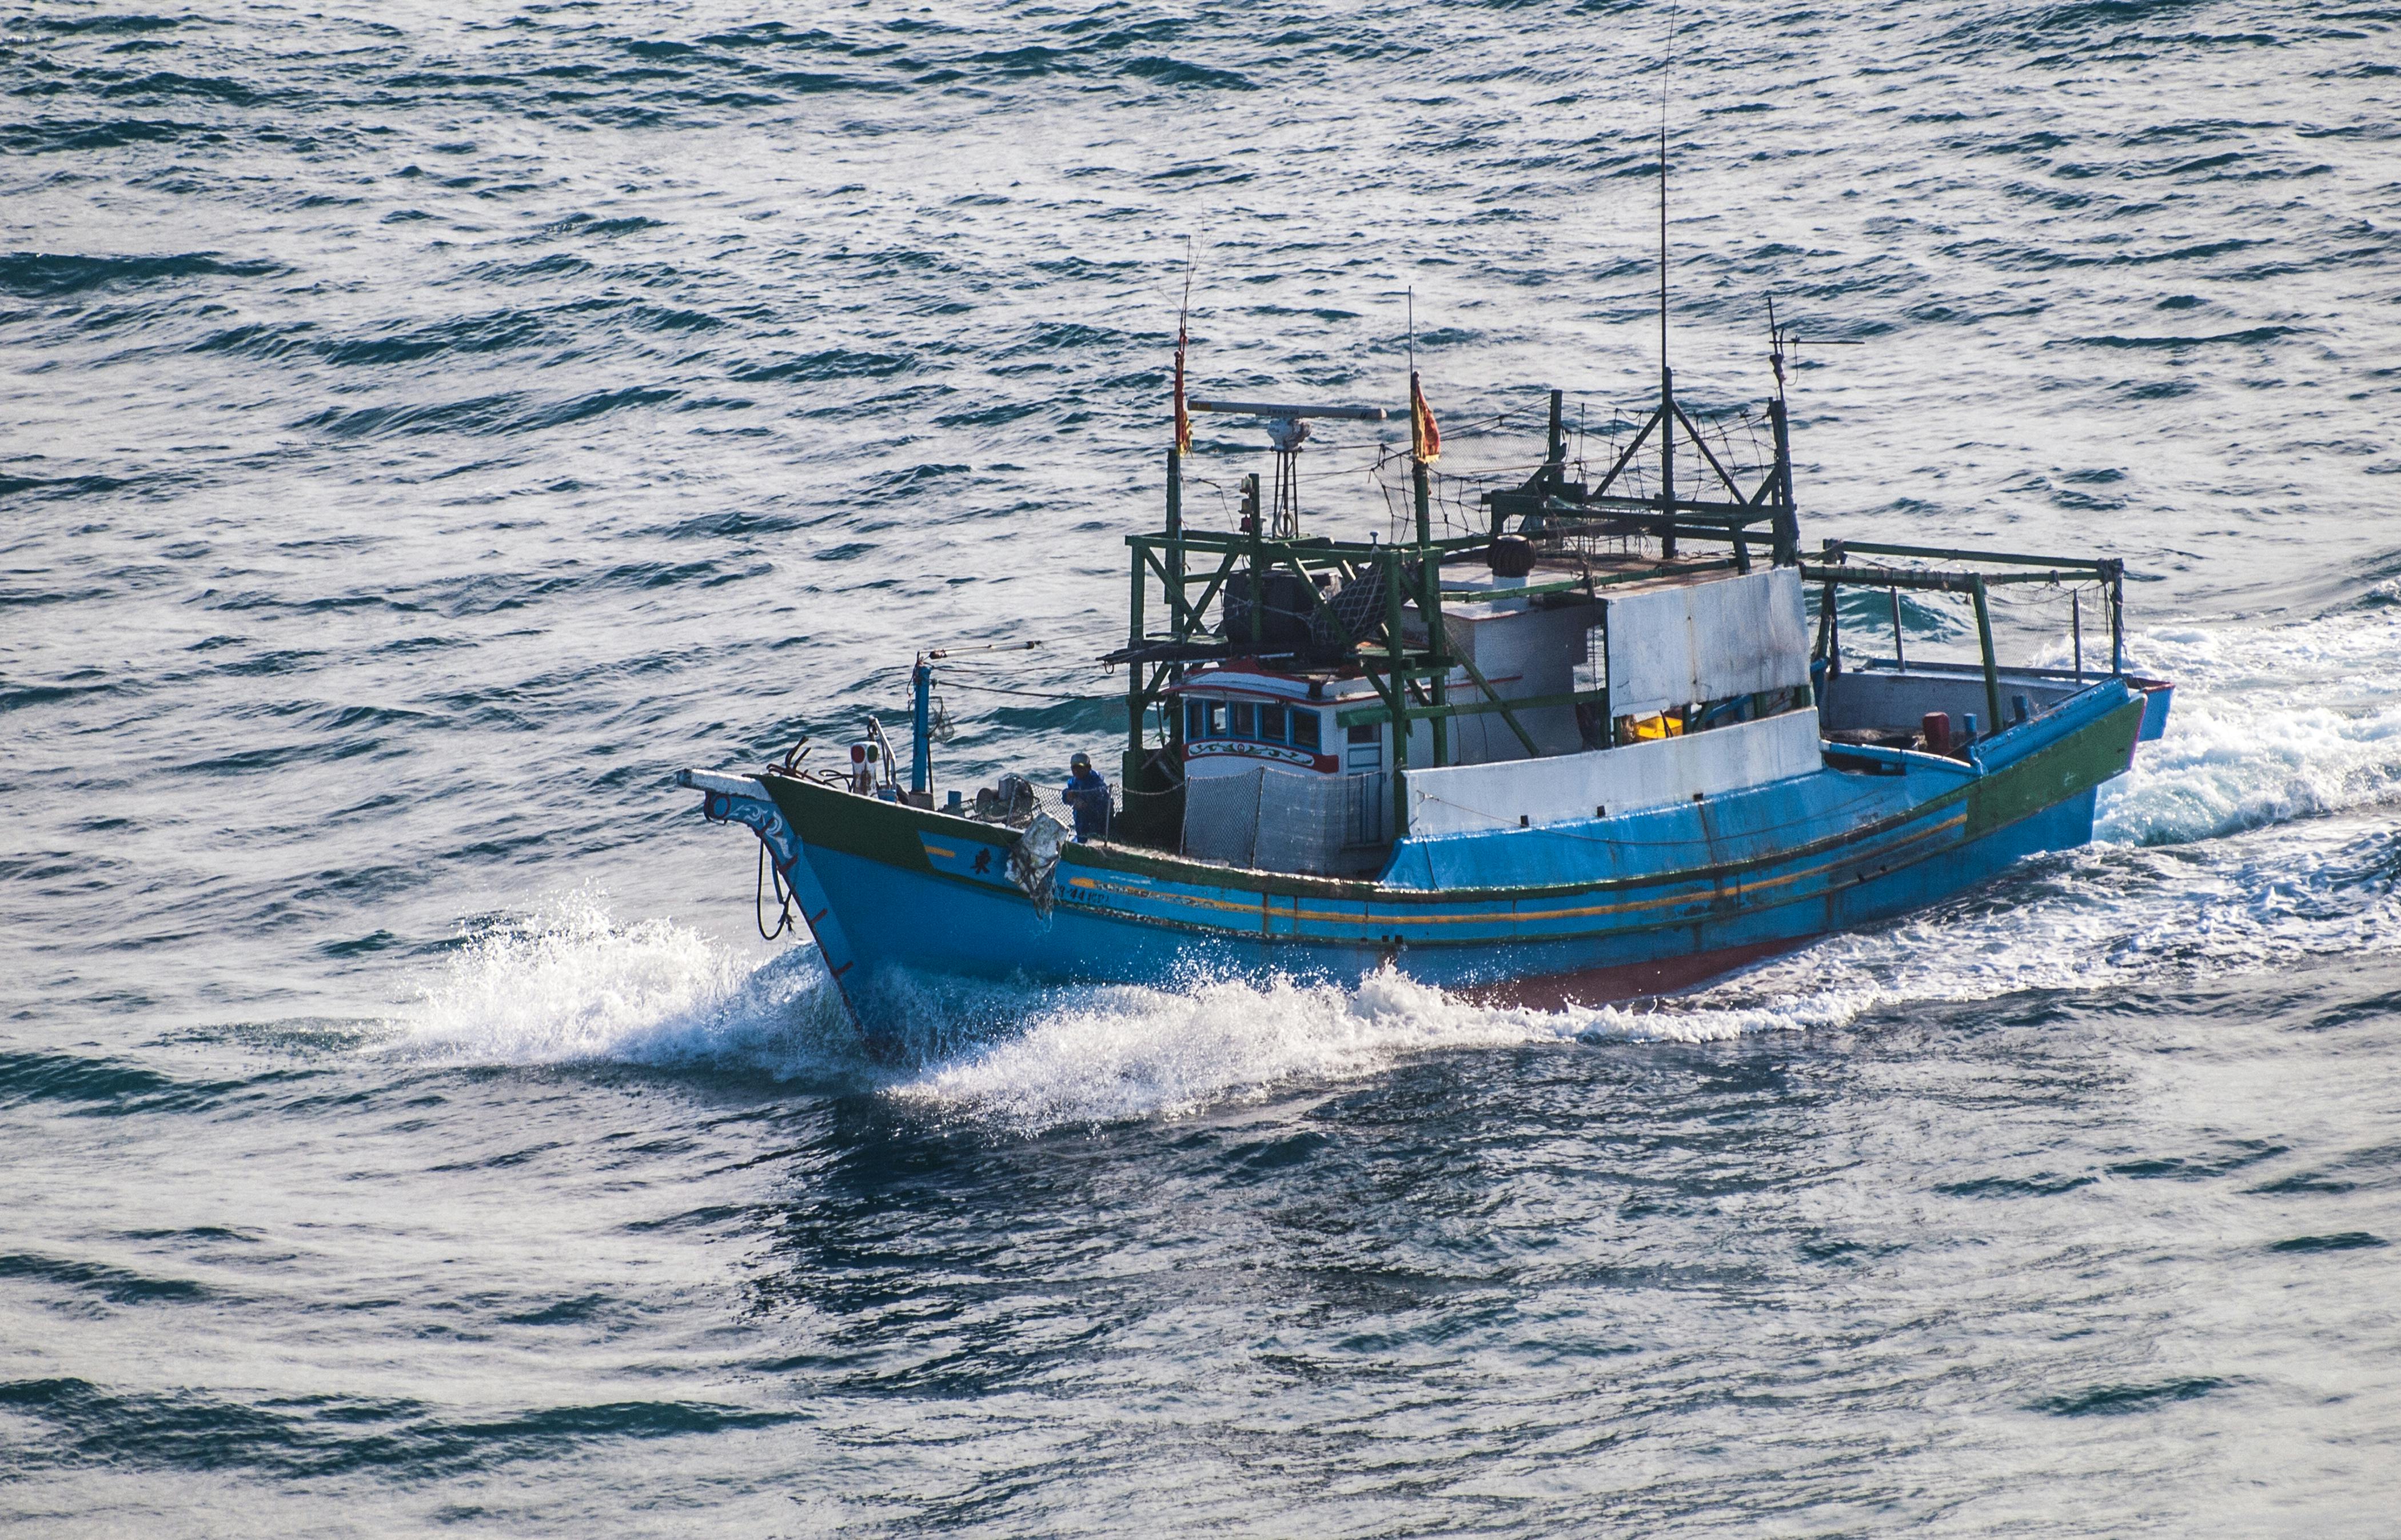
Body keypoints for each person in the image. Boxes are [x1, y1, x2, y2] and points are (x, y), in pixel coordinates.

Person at [1063, 751, 1110, 843]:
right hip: (1080, 823)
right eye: (1074, 768)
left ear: (1088, 768)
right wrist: (1068, 795)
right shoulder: (1074, 782)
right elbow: (1065, 798)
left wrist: (1087, 806)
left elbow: (1104, 806)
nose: (1076, 771)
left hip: (1097, 825)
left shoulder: (1097, 783)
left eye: (1080, 768)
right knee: (1081, 838)